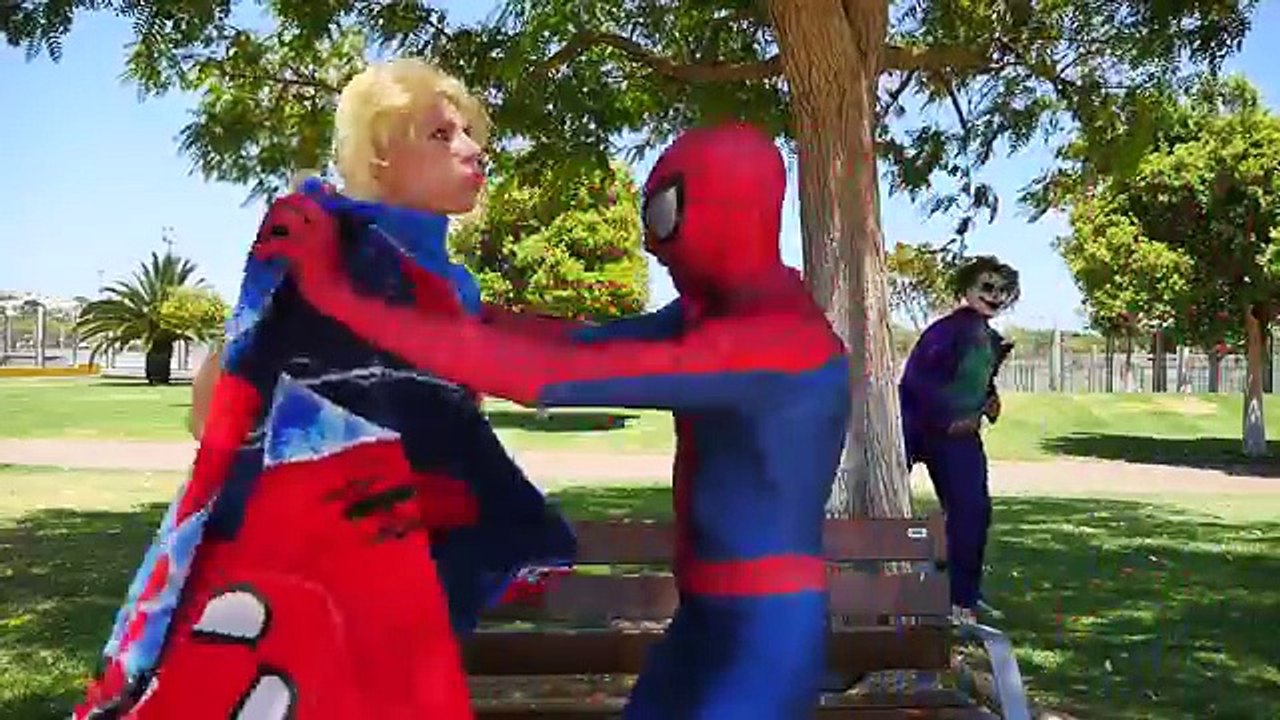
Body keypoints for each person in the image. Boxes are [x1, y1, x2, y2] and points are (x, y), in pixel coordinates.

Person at [259, 121, 852, 719]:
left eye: (665, 214)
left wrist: (340, 298)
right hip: (704, 615)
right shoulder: (710, 318)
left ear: (730, 207)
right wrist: (435, 297)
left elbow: (547, 376)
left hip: (762, 638)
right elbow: (579, 342)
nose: (652, 244)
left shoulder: (778, 342)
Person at [75, 58, 577, 719]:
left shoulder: (456, 289)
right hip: (310, 549)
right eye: (441, 134)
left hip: (417, 568)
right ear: (380, 157)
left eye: (469, 133)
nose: (472, 148)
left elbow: (456, 420)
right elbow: (216, 409)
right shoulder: (321, 250)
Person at [898, 255, 1018, 625]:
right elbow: (917, 381)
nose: (994, 295)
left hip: (960, 439)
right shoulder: (944, 332)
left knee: (972, 511)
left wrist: (988, 401)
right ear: (967, 288)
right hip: (915, 427)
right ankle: (869, 590)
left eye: (1003, 290)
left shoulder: (991, 339)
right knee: (882, 501)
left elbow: (976, 379)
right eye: (987, 287)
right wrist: (946, 420)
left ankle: (962, 598)